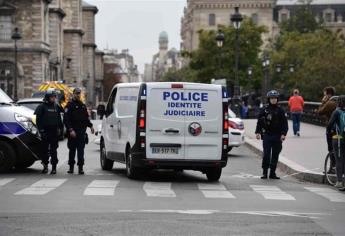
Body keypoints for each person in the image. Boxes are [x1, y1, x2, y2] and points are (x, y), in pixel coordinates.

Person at [255, 90, 289, 179]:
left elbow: (285, 124)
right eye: (271, 98)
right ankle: (265, 172)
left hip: (277, 136)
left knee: (275, 154)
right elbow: (259, 122)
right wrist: (258, 132)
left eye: (275, 98)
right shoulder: (264, 110)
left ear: (277, 99)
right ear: (269, 99)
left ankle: (272, 173)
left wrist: (283, 134)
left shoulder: (281, 110)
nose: (273, 100)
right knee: (266, 154)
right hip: (267, 135)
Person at [64, 88, 94, 175]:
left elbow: (85, 118)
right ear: (73, 94)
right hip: (73, 132)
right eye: (76, 93)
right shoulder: (69, 105)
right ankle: (71, 167)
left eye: (79, 94)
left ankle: (80, 168)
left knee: (81, 151)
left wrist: (91, 126)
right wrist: (70, 130)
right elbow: (66, 119)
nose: (78, 95)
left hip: (81, 132)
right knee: (72, 150)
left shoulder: (82, 105)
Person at [34, 89, 63, 174]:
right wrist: (41, 130)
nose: (53, 98)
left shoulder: (56, 106)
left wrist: (61, 130)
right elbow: (37, 120)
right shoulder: (41, 107)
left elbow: (59, 118)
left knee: (54, 150)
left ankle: (54, 167)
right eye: (52, 97)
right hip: (45, 131)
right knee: (45, 150)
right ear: (47, 97)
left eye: (54, 97)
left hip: (54, 131)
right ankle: (45, 166)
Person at [327, 95, 345, 190]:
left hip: (339, 138)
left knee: (339, 160)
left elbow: (329, 125)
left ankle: (339, 182)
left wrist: (329, 133)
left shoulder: (337, 111)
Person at [318, 87, 337, 174]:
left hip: (331, 129)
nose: (324, 96)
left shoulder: (329, 103)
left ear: (328, 94)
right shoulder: (338, 102)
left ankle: (333, 167)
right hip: (340, 129)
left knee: (331, 148)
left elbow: (320, 111)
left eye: (325, 94)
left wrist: (323, 102)